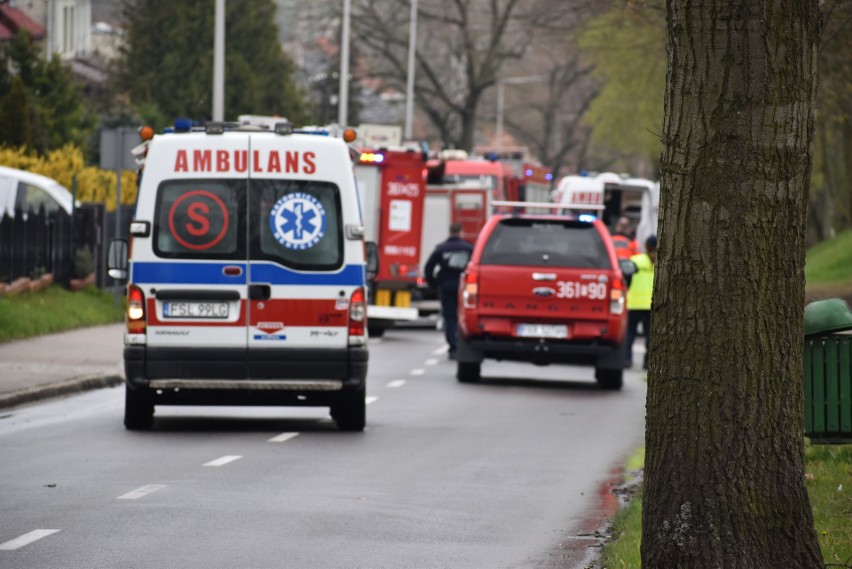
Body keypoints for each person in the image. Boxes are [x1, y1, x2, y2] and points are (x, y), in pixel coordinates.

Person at [424, 222, 474, 359]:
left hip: (446, 286)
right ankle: (464, 343)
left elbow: (428, 268)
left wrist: (435, 283)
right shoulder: (469, 248)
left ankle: (453, 347)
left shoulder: (441, 249)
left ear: (450, 232)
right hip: (464, 287)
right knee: (463, 316)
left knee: (449, 317)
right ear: (461, 232)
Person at [625, 234, 657, 369]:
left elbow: (626, 279)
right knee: (650, 335)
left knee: (630, 333)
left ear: (646, 246)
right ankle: (648, 362)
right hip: (652, 305)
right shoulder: (663, 262)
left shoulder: (635, 260)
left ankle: (626, 359)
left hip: (634, 303)